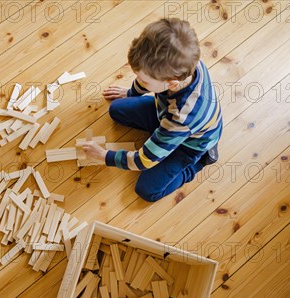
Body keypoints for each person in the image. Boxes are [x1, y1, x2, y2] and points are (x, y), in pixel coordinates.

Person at [82, 18, 222, 202]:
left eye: (145, 81)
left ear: (171, 83)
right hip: (166, 116)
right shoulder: (185, 64)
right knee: (116, 109)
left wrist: (105, 156)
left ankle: (196, 164)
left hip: (189, 144)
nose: (141, 81)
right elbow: (144, 80)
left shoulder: (181, 119)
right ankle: (160, 139)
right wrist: (131, 93)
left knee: (147, 190)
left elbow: (143, 160)